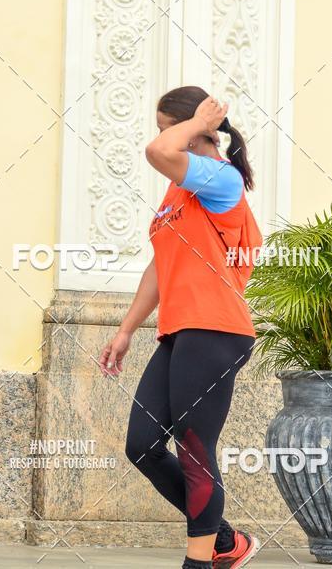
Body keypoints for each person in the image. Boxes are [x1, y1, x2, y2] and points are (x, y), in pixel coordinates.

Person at [99, 86, 262, 569]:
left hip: (216, 328)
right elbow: (160, 265)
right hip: (180, 331)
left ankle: (199, 562)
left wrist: (199, 124)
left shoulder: (221, 179)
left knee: (193, 447)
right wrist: (127, 329)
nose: (160, 137)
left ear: (195, 130)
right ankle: (226, 540)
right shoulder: (179, 192)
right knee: (142, 446)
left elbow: (157, 151)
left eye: (167, 127)